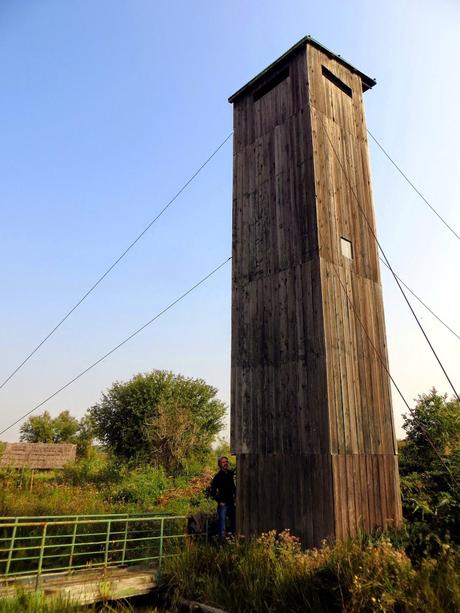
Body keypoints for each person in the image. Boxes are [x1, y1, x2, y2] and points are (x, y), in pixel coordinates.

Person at [210, 456, 236, 540]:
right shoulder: (217, 476)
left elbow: (233, 487)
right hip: (223, 504)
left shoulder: (230, 474)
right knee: (222, 524)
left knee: (234, 521)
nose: (225, 463)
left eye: (226, 462)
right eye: (223, 462)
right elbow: (213, 491)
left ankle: (233, 539)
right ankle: (222, 543)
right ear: (220, 464)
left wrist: (236, 497)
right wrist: (219, 501)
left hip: (231, 502)